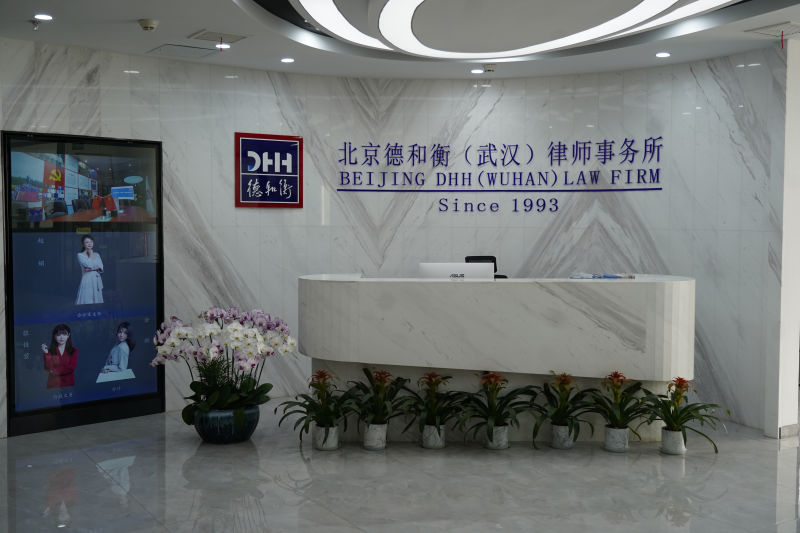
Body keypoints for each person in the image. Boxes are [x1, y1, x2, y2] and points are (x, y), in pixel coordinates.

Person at [41, 324, 78, 389]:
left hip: (68, 384)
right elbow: (48, 368)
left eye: (64, 334)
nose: (61, 337)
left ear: (68, 335)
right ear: (54, 336)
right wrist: (46, 353)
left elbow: (71, 368)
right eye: (58, 335)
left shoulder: (74, 351)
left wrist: (54, 371)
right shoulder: (49, 351)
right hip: (53, 384)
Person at [75, 234, 103, 305]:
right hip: (87, 280)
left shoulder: (97, 254)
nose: (89, 244)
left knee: (97, 303)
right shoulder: (80, 255)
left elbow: (101, 267)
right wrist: (90, 253)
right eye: (87, 242)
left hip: (96, 280)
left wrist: (90, 269)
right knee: (87, 301)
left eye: (91, 242)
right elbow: (89, 265)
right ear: (83, 244)